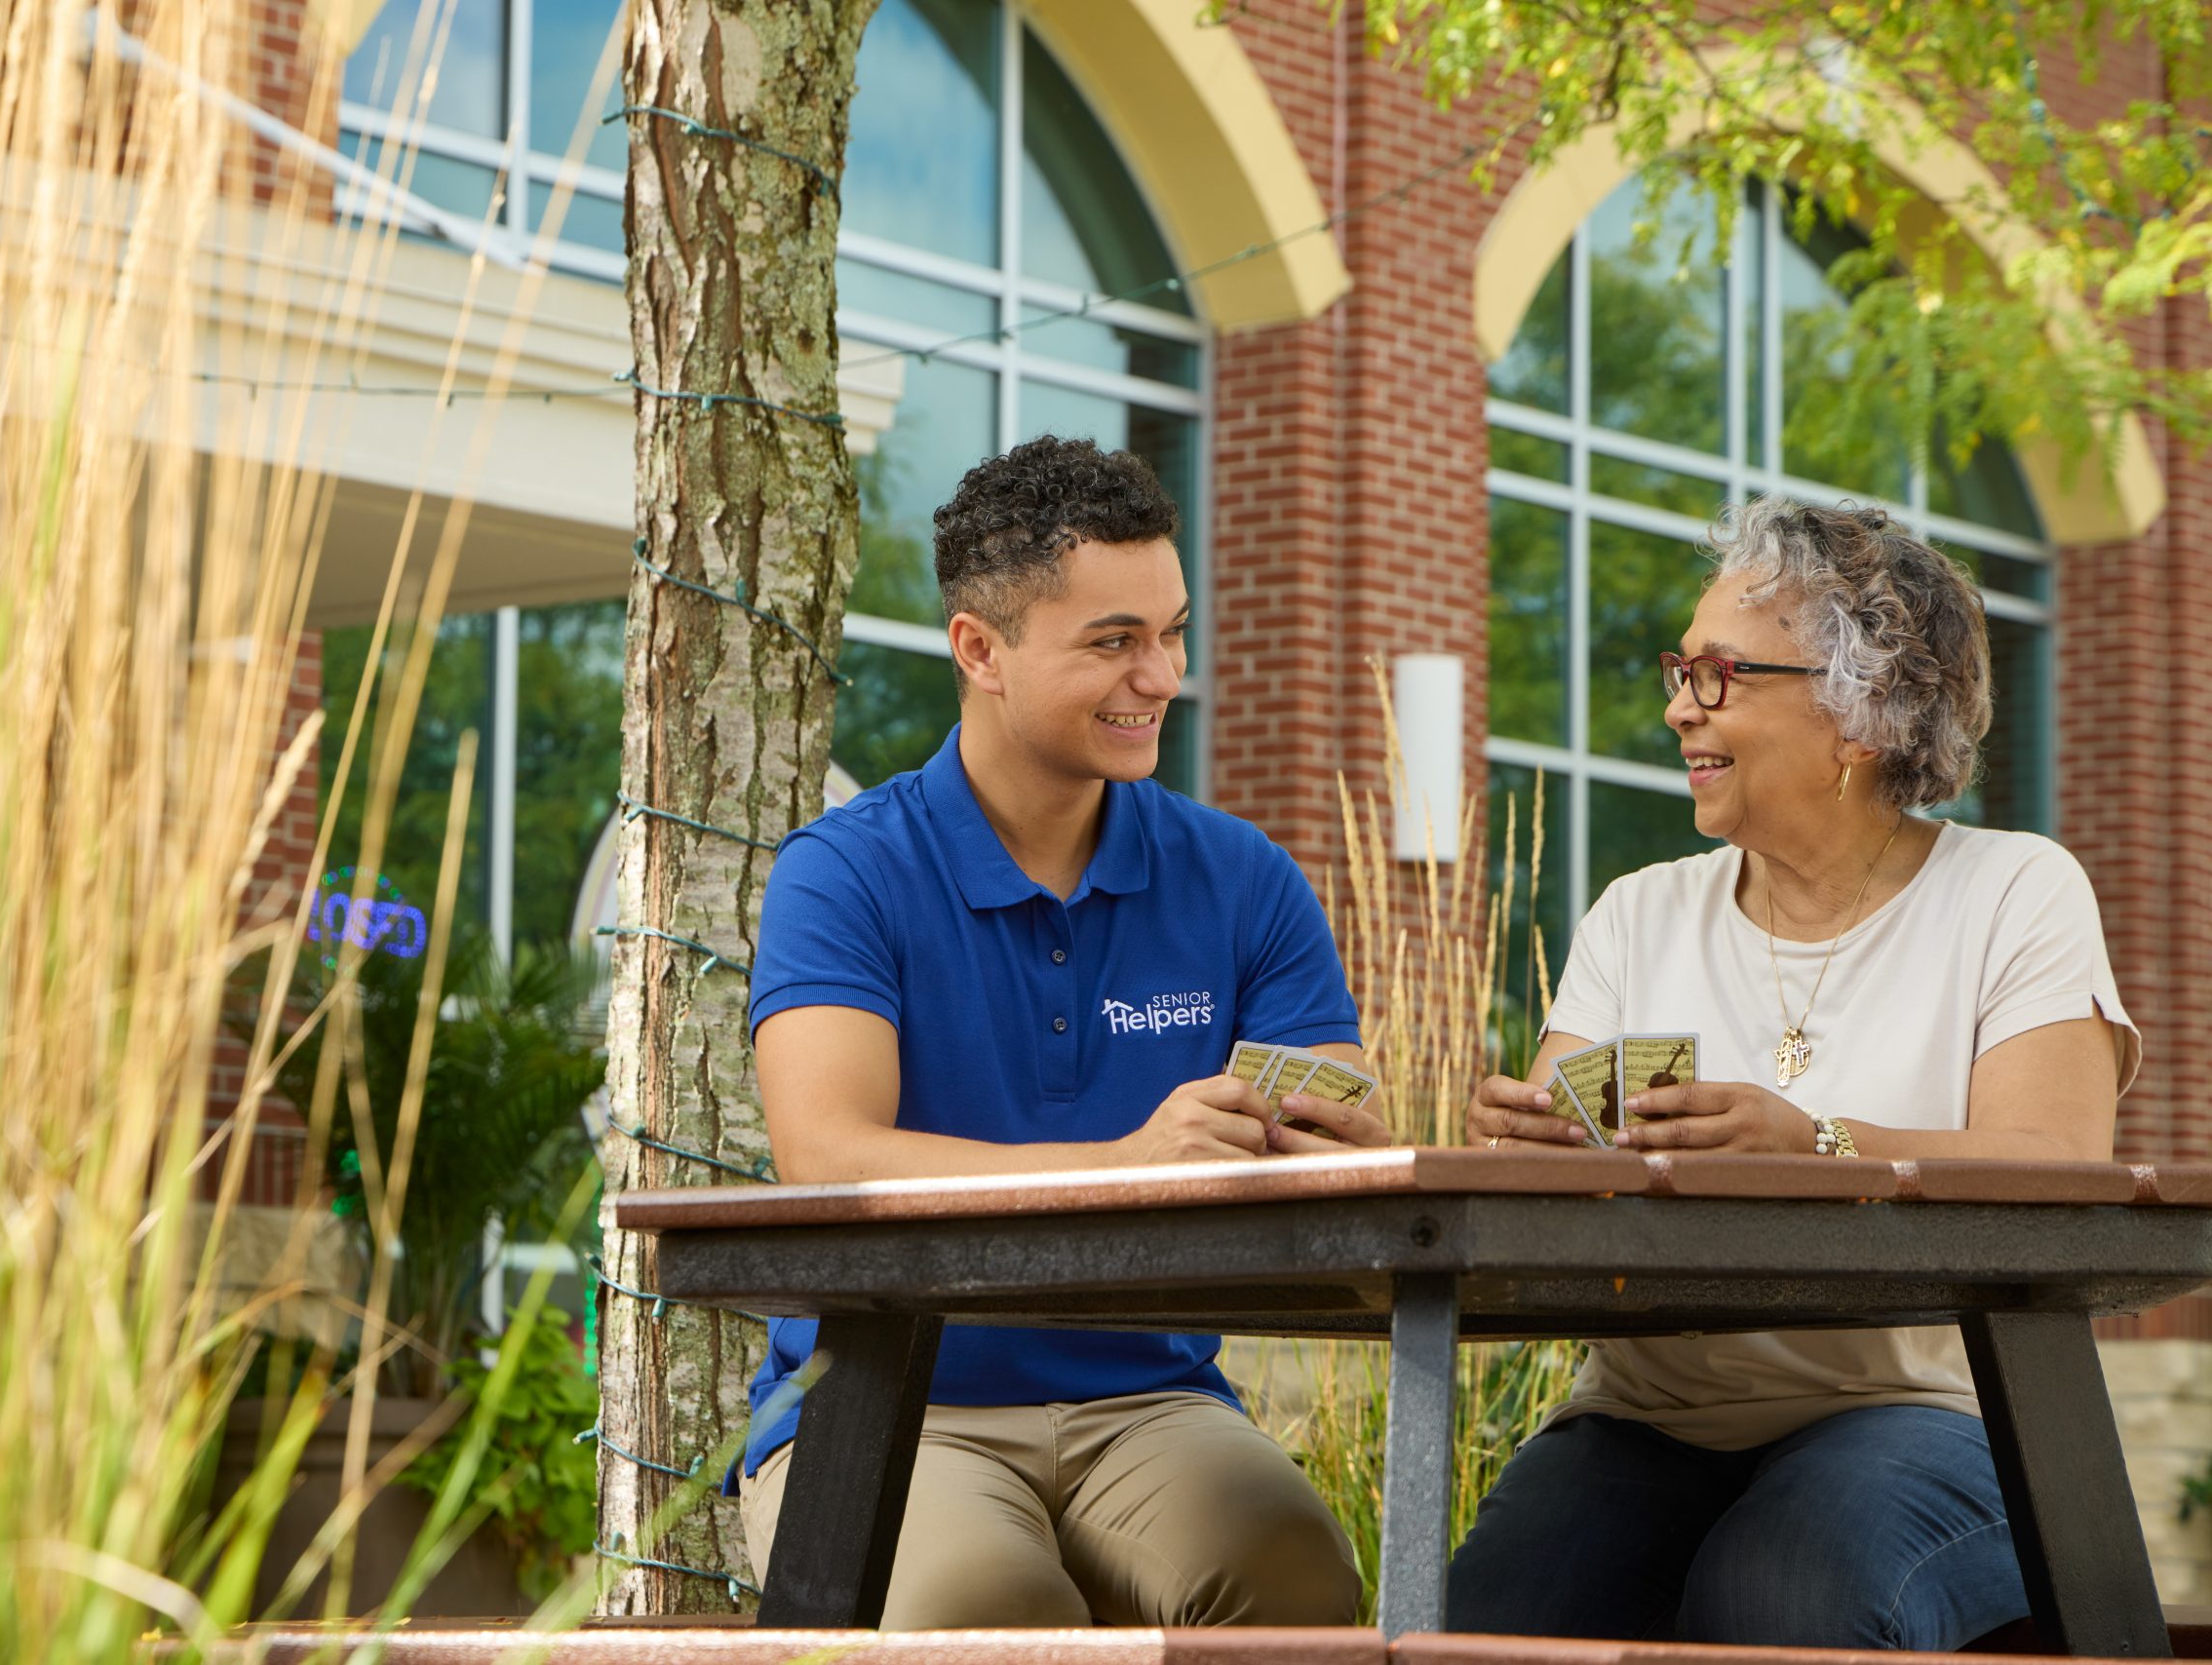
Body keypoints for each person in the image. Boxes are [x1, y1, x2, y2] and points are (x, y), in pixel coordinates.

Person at [1454, 495, 2140, 1648]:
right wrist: (1522, 1145)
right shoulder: (1638, 915)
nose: (1678, 706)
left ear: (1859, 713)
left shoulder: (2014, 891)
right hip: (1646, 1416)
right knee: (1486, 1618)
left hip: (1927, 1412)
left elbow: (2059, 1168)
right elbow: (1549, 1186)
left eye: (1718, 675)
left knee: (1779, 1586)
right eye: (1680, 669)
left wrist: (1812, 1142)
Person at [736, 435, 1382, 1629]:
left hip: (1153, 1399)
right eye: (1113, 642)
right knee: (992, 1612)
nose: (1162, 676)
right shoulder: (845, 874)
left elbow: (1343, 1124)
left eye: (1172, 631)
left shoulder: (1243, 878)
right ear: (979, 650)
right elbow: (825, 1155)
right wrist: (1127, 1164)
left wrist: (1320, 1130)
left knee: (1299, 1574)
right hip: (897, 1398)